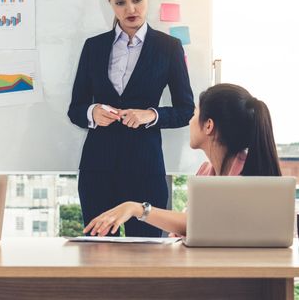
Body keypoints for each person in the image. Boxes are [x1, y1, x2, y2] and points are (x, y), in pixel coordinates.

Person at [67, 0, 194, 237]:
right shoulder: (94, 47)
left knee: (148, 258)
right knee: (98, 254)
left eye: (137, 0)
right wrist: (92, 112)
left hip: (145, 169)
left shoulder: (168, 48)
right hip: (97, 169)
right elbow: (75, 109)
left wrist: (152, 115)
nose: (130, 9)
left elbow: (186, 110)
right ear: (110, 4)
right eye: (120, 2)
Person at [83, 83, 282, 237]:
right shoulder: (205, 172)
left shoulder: (245, 176)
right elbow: (189, 228)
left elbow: (198, 223)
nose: (189, 121)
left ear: (209, 126)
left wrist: (136, 208)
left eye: (194, 114)